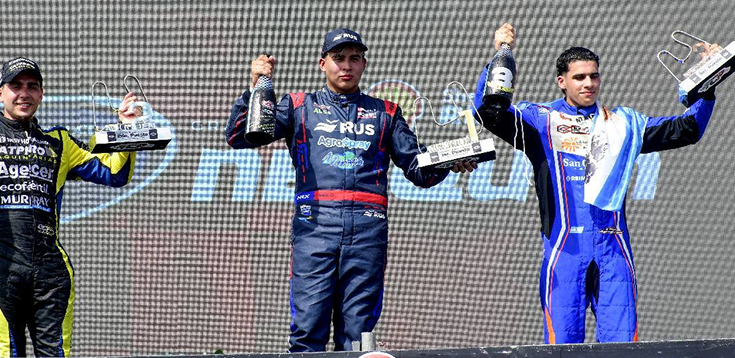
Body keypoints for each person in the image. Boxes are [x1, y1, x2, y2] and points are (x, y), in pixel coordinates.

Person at [226, 28, 477, 352]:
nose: (346, 66)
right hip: (315, 227)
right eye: (338, 58)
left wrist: (450, 162)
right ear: (322, 63)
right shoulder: (300, 106)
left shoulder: (385, 112)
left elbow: (419, 170)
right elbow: (237, 136)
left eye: (354, 58)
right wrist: (255, 87)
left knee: (358, 335)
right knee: (307, 330)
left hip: (367, 229)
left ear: (364, 64)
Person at [473, 23, 717, 344]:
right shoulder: (541, 120)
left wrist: (709, 80)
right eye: (579, 77)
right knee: (562, 349)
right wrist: (502, 54)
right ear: (562, 82)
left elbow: (686, 129)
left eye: (594, 76)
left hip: (614, 252)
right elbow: (488, 111)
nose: (589, 83)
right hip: (565, 252)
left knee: (622, 349)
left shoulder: (621, 125)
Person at [0, 57, 141, 357]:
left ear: (41, 94)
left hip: (51, 274)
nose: (24, 94)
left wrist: (126, 131)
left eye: (32, 87)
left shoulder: (60, 142)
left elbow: (114, 173)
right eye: (15, 86)